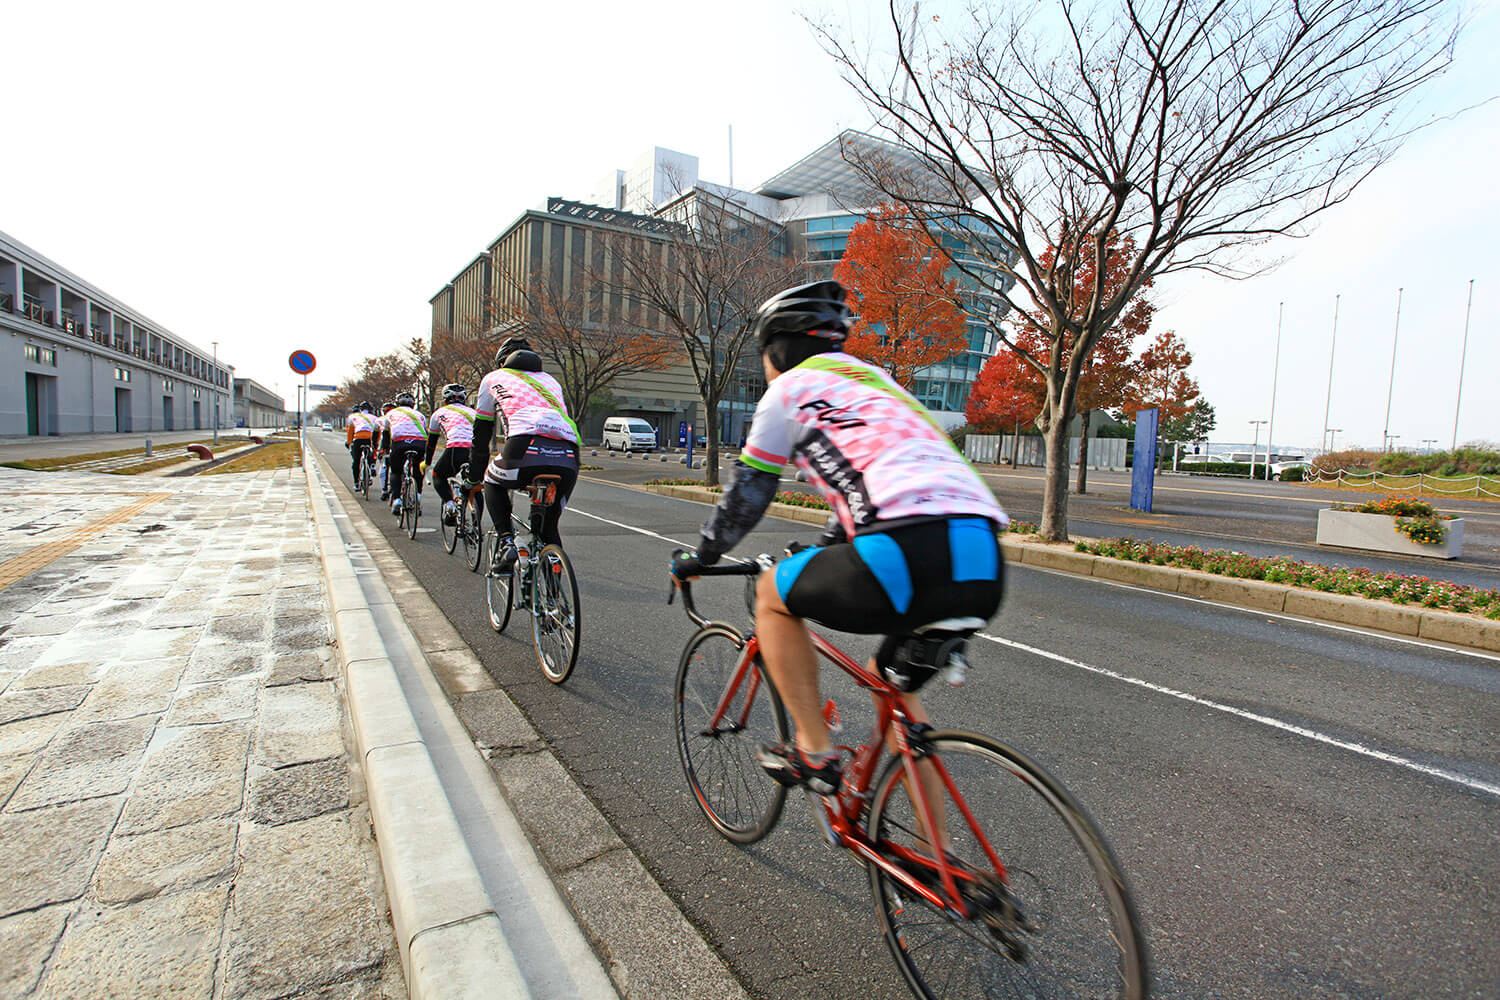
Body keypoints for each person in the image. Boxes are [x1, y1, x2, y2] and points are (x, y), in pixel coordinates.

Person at [669, 280, 1007, 796]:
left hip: (903, 552)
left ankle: (814, 751)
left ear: (775, 349)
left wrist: (703, 554)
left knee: (771, 596)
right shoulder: (881, 384)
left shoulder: (787, 390)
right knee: (891, 690)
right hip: (982, 554)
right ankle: (945, 874)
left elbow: (749, 493)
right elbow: (879, 485)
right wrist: (826, 550)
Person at [466, 336, 579, 573]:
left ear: (501, 363)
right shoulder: (551, 381)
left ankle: (507, 542)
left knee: (491, 482)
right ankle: (554, 603)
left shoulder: (492, 378)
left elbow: (481, 435)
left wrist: (473, 479)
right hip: (569, 454)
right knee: (549, 528)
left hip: (522, 447)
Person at [425, 384, 477, 526]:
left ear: (445, 399)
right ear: (464, 400)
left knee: (438, 475)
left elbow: (431, 443)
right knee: (474, 485)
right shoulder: (474, 413)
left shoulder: (438, 413)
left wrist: (427, 462)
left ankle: (449, 504)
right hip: (476, 451)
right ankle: (476, 521)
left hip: (455, 448)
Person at [380, 392, 428, 516]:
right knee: (418, 470)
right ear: (413, 404)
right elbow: (425, 431)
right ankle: (417, 497)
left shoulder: (390, 414)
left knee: (396, 471)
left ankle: (397, 500)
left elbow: (386, 434)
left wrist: (385, 449)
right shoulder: (420, 415)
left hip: (399, 443)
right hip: (419, 443)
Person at [345, 401, 379, 486]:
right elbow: (378, 432)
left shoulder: (353, 417)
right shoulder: (375, 418)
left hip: (358, 439)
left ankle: (356, 483)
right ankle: (372, 465)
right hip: (369, 438)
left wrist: (349, 442)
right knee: (372, 452)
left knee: (356, 461)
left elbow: (350, 431)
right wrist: (376, 444)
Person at [376, 401, 397, 500]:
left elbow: (376, 435)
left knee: (385, 469)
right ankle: (389, 490)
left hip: (388, 446)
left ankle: (385, 491)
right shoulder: (399, 418)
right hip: (392, 446)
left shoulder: (380, 420)